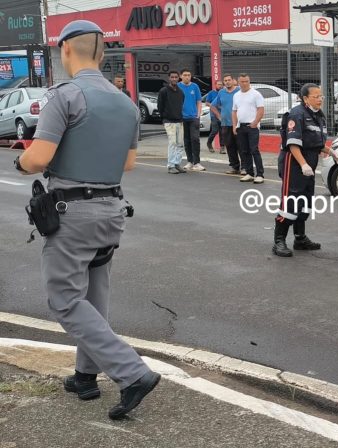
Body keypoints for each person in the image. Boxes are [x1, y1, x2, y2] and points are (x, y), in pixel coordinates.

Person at [13, 19, 160, 420]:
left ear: (65, 51)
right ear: (101, 52)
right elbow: (127, 163)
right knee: (94, 297)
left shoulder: (64, 95)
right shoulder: (126, 102)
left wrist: (23, 162)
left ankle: (132, 373)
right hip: (111, 211)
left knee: (64, 299)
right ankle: (85, 376)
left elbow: (38, 158)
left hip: (71, 215)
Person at [274, 83, 338, 257]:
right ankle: (279, 240)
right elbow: (293, 144)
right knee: (291, 201)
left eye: (321, 96)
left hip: (308, 163)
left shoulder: (318, 115)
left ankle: (300, 238)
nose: (320, 99)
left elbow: (315, 143)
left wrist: (332, 152)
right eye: (316, 96)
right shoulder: (297, 114)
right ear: (305, 98)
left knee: (305, 202)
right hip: (294, 163)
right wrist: (303, 164)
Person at [232, 73, 265, 183]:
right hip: (241, 127)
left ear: (249, 81)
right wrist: (234, 125)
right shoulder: (236, 95)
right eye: (242, 81)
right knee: (244, 151)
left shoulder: (256, 94)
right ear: (238, 82)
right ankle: (249, 173)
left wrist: (255, 122)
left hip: (252, 127)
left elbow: (260, 109)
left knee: (254, 150)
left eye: (247, 81)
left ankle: (260, 174)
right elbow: (234, 111)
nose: (245, 83)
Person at [210, 74, 241, 175]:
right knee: (230, 146)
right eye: (225, 80)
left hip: (238, 124)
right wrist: (219, 116)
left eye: (229, 80)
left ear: (233, 80)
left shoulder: (239, 90)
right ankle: (234, 167)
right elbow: (213, 106)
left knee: (242, 146)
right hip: (226, 124)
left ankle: (245, 167)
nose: (227, 82)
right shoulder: (221, 92)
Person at [157, 71, 187, 174]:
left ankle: (177, 164)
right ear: (169, 78)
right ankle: (170, 166)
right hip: (169, 121)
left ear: (179, 78)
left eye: (176, 77)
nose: (174, 79)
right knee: (173, 143)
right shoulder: (163, 91)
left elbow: (181, 103)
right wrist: (164, 117)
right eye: (172, 77)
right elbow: (160, 106)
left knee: (180, 144)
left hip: (179, 120)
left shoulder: (180, 91)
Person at [178, 68, 203, 171]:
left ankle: (197, 162)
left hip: (193, 117)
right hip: (182, 118)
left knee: (195, 139)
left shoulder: (195, 86)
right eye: (185, 75)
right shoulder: (178, 86)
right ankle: (190, 161)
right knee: (186, 140)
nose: (187, 77)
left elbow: (199, 101)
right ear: (181, 76)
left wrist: (198, 114)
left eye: (189, 75)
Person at [205, 79, 223, 152]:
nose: (220, 86)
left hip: (222, 114)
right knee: (215, 130)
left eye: (221, 84)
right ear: (215, 85)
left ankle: (222, 147)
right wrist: (213, 105)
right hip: (213, 114)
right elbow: (207, 103)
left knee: (222, 131)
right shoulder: (211, 93)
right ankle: (209, 143)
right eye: (218, 84)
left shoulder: (223, 93)